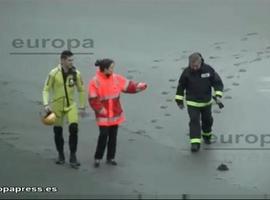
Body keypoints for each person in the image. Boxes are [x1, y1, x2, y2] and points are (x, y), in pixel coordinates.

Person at [88, 59, 147, 168]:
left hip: (115, 114)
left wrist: (139, 86)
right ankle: (98, 157)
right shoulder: (95, 81)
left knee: (113, 136)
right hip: (103, 116)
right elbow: (93, 99)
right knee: (103, 135)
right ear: (105, 69)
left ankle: (111, 157)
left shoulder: (116, 78)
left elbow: (129, 85)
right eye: (111, 68)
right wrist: (101, 110)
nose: (113, 69)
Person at [42, 50, 86, 168]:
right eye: (69, 60)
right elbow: (46, 89)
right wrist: (46, 104)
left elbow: (81, 90)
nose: (71, 62)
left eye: (72, 60)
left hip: (71, 105)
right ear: (62, 60)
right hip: (57, 106)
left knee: (74, 128)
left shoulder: (76, 73)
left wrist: (82, 106)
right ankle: (60, 154)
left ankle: (73, 155)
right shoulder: (53, 73)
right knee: (57, 131)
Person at [175, 52, 224, 152]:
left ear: (200, 62)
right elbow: (180, 87)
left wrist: (218, 95)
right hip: (192, 103)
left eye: (196, 66)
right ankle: (195, 143)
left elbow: (217, 83)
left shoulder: (208, 70)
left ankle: (207, 136)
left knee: (207, 120)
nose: (194, 68)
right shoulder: (186, 73)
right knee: (194, 121)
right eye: (192, 66)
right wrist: (179, 101)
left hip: (206, 102)